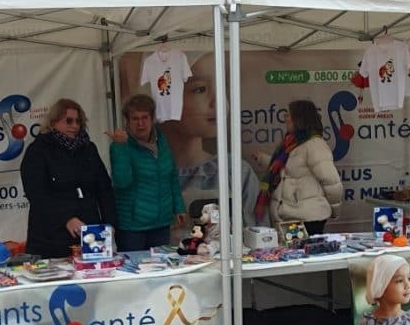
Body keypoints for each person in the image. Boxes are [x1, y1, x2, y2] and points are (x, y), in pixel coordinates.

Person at [158, 52, 259, 223]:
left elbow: (254, 231)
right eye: (200, 89)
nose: (217, 101)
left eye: (222, 87)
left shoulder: (235, 171)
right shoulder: (148, 172)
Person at [20, 98, 118, 259]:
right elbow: (36, 193)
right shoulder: (38, 150)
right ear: (53, 122)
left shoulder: (88, 148)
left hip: (89, 232)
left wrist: (110, 223)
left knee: (94, 277)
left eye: (78, 121)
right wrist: (66, 218)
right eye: (69, 121)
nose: (74, 126)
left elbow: (104, 188)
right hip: (50, 236)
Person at [107, 94, 187, 252]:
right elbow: (122, 182)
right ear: (127, 121)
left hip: (161, 222)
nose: (141, 123)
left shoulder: (162, 140)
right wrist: (120, 148)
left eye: (145, 117)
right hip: (132, 226)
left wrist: (179, 206)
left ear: (152, 119)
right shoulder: (121, 145)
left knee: (160, 270)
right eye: (135, 119)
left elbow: (171, 175)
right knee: (134, 272)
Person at [254, 99, 342, 235]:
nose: (286, 119)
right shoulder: (291, 144)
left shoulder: (314, 145)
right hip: (291, 217)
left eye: (289, 115)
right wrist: (262, 159)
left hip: (309, 218)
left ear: (300, 118)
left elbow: (331, 182)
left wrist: (333, 209)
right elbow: (287, 168)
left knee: (305, 254)